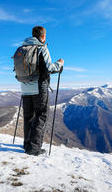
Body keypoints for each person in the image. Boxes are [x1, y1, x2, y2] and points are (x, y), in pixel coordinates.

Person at [21, 26, 64, 156]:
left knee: (29, 116)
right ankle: (34, 148)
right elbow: (49, 68)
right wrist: (60, 64)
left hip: (25, 87)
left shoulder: (22, 49)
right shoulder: (41, 48)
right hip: (39, 87)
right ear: (43, 36)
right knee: (41, 115)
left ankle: (27, 144)